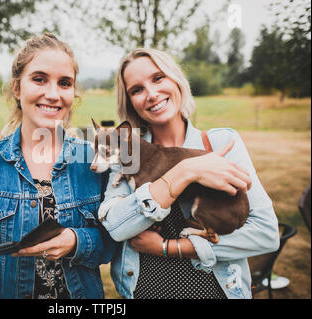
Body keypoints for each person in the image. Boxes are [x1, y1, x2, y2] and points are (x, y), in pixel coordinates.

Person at [98, 48, 280, 299]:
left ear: (176, 80)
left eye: (158, 78)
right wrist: (186, 170)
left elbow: (266, 235)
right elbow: (117, 227)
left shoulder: (221, 143)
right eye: (136, 90)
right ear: (130, 102)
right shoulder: (126, 153)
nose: (151, 94)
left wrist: (170, 248)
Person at [0, 33, 116, 299]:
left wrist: (77, 241)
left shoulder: (94, 160)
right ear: (17, 88)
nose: (53, 94)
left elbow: (114, 241)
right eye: (39, 79)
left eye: (64, 83)